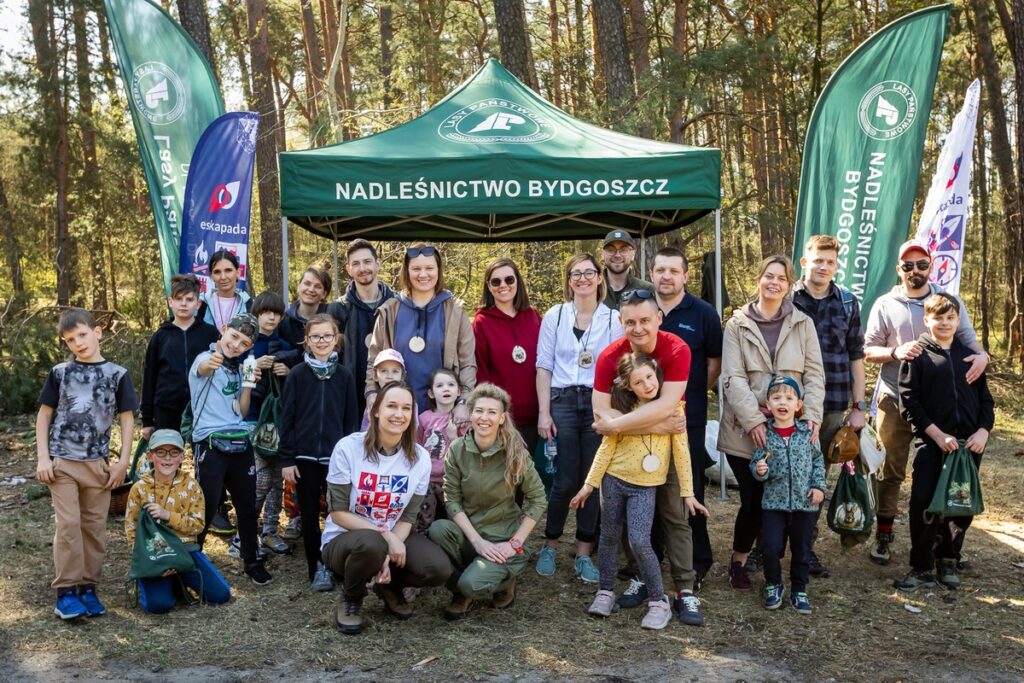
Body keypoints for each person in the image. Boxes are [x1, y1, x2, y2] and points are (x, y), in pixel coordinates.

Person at [863, 239, 988, 565]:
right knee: (890, 471)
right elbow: (867, 350)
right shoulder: (885, 304)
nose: (914, 270)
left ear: (930, 266)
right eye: (908, 265)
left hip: (937, 409)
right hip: (893, 399)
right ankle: (884, 533)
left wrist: (983, 359)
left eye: (921, 264)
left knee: (938, 474)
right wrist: (895, 352)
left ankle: (937, 543)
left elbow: (972, 346)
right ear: (899, 269)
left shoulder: (947, 302)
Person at [591, 289, 705, 625]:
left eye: (644, 320)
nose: (638, 328)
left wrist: (619, 426)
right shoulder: (610, 357)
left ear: (659, 318)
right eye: (630, 322)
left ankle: (685, 589)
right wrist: (656, 425)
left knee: (674, 513)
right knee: (626, 520)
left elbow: (666, 405)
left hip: (666, 452)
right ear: (620, 322)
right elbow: (601, 414)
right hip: (625, 458)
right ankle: (642, 576)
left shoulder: (676, 349)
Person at [571, 353, 708, 630]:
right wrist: (589, 484)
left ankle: (659, 601)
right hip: (614, 480)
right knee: (609, 537)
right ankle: (605, 591)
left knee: (639, 541)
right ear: (629, 386)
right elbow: (606, 448)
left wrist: (688, 493)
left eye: (649, 377)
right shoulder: (623, 412)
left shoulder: (674, 410)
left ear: (656, 374)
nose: (646, 384)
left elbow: (682, 455)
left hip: (644, 488)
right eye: (638, 381)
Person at [717, 255, 824, 592]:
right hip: (745, 428)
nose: (774, 283)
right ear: (759, 279)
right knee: (752, 501)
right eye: (769, 276)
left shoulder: (803, 323)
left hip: (793, 427)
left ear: (790, 285)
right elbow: (731, 377)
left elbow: (814, 375)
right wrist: (753, 421)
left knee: (790, 496)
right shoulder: (736, 324)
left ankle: (782, 564)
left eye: (782, 278)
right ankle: (738, 562)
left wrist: (812, 416)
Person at [322, 381, 452, 635]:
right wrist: (385, 536)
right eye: (391, 406)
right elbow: (338, 512)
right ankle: (352, 599)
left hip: (393, 535)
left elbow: (407, 516)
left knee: (438, 569)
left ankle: (387, 586)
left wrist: (392, 542)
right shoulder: (348, 448)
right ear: (376, 411)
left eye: (406, 408)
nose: (399, 414)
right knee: (371, 543)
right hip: (345, 540)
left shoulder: (420, 457)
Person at [36, 308, 138, 619]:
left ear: (98, 332)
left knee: (94, 527)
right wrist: (43, 457)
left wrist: (123, 462)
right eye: (70, 339)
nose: (78, 343)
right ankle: (66, 591)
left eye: (82, 334)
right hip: (62, 462)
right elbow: (43, 416)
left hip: (99, 465)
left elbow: (126, 418)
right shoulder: (59, 373)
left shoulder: (117, 374)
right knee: (68, 526)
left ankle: (88, 587)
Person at [894, 293, 994, 592]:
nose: (945, 323)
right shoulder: (919, 356)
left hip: (967, 448)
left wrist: (983, 431)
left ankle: (948, 559)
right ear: (927, 320)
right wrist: (936, 434)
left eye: (951, 318)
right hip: (933, 445)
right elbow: (909, 402)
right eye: (938, 318)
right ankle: (921, 565)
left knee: (959, 504)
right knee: (923, 502)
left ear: (958, 320)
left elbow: (986, 401)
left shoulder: (969, 356)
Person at [535, 253, 624, 583]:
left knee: (593, 478)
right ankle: (550, 543)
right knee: (564, 480)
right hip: (560, 400)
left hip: (596, 401)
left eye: (589, 273)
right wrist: (544, 412)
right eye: (576, 274)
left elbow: (617, 369)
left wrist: (612, 411)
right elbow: (543, 366)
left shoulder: (613, 319)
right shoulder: (555, 316)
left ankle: (584, 552)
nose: (583, 279)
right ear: (568, 280)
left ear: (600, 278)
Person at [428, 383, 547, 620]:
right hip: (471, 534)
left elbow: (538, 499)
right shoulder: (457, 450)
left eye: (492, 412)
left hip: (503, 538)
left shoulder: (515, 452)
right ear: (470, 414)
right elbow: (451, 498)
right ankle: (463, 586)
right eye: (479, 411)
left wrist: (515, 543)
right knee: (438, 529)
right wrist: (477, 541)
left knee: (471, 584)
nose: (484, 417)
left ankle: (503, 581)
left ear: (502, 418)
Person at [792, 235, 866, 579]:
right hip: (789, 403)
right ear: (805, 261)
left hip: (833, 403)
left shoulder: (848, 303)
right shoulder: (787, 299)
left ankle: (806, 547)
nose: (824, 267)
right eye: (818, 260)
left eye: (830, 262)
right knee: (781, 469)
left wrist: (859, 406)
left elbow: (856, 356)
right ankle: (769, 546)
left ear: (837, 266)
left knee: (816, 474)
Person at [649, 246, 722, 589]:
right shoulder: (642, 311)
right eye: (660, 270)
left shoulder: (704, 313)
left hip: (686, 418)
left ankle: (698, 561)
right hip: (645, 420)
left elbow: (713, 364)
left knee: (688, 490)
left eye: (673, 271)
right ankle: (649, 558)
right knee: (647, 486)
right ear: (651, 274)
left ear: (685, 275)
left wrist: (686, 395)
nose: (666, 276)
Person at [189, 313, 272, 586]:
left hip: (239, 440)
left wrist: (248, 385)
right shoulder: (205, 358)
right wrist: (214, 360)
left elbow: (243, 410)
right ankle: (193, 560)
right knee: (208, 503)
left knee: (247, 505)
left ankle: (251, 559)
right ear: (224, 330)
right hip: (209, 441)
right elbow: (203, 367)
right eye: (234, 337)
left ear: (250, 347)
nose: (236, 345)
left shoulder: (242, 367)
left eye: (244, 342)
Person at [280, 314, 360, 591]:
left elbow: (352, 420)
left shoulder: (345, 376)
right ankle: (316, 566)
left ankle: (337, 562)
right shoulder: (297, 375)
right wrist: (288, 458)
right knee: (311, 516)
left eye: (327, 336)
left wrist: (352, 458)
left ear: (336, 339)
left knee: (339, 514)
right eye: (316, 337)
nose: (322, 341)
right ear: (307, 341)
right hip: (304, 460)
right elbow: (286, 418)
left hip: (337, 461)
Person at [124, 430, 231, 614]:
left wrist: (167, 515)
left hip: (186, 551)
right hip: (154, 554)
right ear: (150, 456)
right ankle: (161, 583)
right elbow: (132, 529)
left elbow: (197, 525)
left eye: (174, 452)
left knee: (220, 595)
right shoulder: (139, 489)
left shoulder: (191, 486)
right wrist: (151, 562)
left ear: (182, 456)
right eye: (161, 452)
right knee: (158, 606)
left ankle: (181, 576)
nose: (168, 458)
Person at [365, 242, 475, 420]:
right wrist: (371, 393)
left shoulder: (455, 311)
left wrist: (463, 401)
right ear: (406, 271)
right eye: (416, 268)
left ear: (438, 270)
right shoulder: (389, 311)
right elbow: (373, 360)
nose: (423, 274)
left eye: (429, 268)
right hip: (397, 412)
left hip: (442, 414)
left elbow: (468, 363)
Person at [750, 376, 827, 615]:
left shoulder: (808, 432)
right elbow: (757, 463)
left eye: (789, 398)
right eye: (776, 398)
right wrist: (760, 470)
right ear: (768, 405)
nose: (782, 402)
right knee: (770, 547)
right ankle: (773, 584)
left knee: (802, 548)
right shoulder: (765, 435)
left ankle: (799, 588)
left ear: (798, 405)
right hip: (774, 503)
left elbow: (817, 461)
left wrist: (819, 487)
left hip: (804, 504)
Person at [230, 290, 292, 559]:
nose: (271, 317)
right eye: (266, 312)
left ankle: (270, 532)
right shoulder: (246, 345)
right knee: (258, 479)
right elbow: (235, 377)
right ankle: (242, 536)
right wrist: (254, 365)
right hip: (252, 418)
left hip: (279, 421)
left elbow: (295, 378)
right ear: (256, 313)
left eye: (277, 313)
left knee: (278, 479)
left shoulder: (285, 344)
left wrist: (286, 370)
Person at [472, 258, 543, 454]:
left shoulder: (534, 316)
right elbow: (481, 375)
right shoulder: (481, 322)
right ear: (488, 286)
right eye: (496, 281)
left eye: (509, 279)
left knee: (535, 482)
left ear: (518, 282)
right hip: (504, 421)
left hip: (539, 419)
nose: (503, 285)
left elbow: (546, 364)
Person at [140, 274, 218, 438]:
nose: (184, 304)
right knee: (168, 458)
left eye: (189, 299)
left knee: (205, 459)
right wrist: (147, 420)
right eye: (179, 299)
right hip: (166, 408)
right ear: (170, 302)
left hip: (203, 408)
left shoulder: (210, 334)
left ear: (198, 304)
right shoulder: (160, 336)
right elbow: (149, 377)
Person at [328, 239, 396, 416]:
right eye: (356, 264)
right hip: (351, 394)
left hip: (390, 389)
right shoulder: (339, 308)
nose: (362, 268)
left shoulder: (396, 305)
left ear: (378, 264)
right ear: (349, 270)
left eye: (367, 262)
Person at [416, 368, 468, 533]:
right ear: (431, 393)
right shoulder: (424, 418)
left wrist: (453, 437)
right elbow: (417, 447)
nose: (446, 389)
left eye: (451, 384)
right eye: (440, 385)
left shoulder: (462, 420)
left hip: (452, 480)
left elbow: (467, 453)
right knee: (425, 515)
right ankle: (423, 541)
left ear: (458, 391)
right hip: (428, 479)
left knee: (455, 516)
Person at [280, 265, 332, 348]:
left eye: (318, 287)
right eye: (307, 284)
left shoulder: (332, 319)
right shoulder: (283, 322)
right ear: (298, 287)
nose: (311, 289)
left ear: (324, 294)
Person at [198, 250, 251, 329]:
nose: (223, 277)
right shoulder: (201, 303)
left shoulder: (249, 304)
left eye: (228, 270)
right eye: (217, 272)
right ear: (211, 276)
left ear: (238, 273)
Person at [601, 230, 653, 310]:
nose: (617, 255)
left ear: (633, 254)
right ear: (603, 254)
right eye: (611, 250)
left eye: (623, 250)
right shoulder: (593, 290)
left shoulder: (648, 290)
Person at [362, 349, 407, 429]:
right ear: (375, 376)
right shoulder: (373, 403)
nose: (389, 376)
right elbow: (365, 432)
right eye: (384, 371)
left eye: (395, 371)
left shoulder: (408, 402)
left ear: (402, 376)